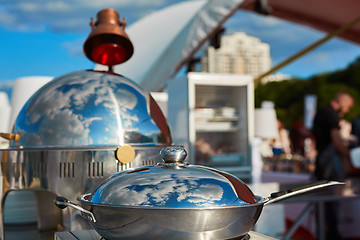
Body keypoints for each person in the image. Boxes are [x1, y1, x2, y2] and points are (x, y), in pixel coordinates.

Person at [312, 90, 354, 240]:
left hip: (323, 161)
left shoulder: (322, 112)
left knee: (323, 200)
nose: (347, 110)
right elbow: (336, 141)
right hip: (328, 161)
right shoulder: (331, 114)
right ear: (341, 101)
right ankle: (332, 234)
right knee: (333, 198)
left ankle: (325, 233)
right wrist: (350, 157)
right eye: (348, 106)